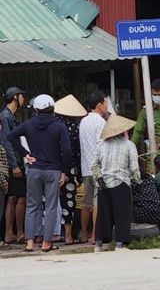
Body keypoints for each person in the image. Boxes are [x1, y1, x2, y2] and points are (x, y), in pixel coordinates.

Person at [8, 94, 71, 252]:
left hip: (34, 170)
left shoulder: (29, 124)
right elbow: (67, 150)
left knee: (31, 206)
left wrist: (25, 154)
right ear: (52, 108)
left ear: (36, 109)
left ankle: (29, 242)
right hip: (53, 170)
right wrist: (65, 171)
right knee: (50, 207)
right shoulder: (59, 126)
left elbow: (11, 136)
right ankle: (46, 243)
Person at [92, 115, 141, 252]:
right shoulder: (129, 145)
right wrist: (137, 180)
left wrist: (99, 177)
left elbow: (94, 164)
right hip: (121, 183)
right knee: (122, 214)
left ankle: (100, 244)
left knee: (104, 215)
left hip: (103, 184)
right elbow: (134, 168)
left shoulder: (100, 145)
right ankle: (120, 244)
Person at [54, 94, 87, 245]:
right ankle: (68, 235)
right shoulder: (75, 129)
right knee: (69, 201)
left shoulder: (51, 126)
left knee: (49, 202)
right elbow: (78, 152)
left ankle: (48, 235)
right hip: (70, 169)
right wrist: (79, 173)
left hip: (51, 168)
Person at [79, 91, 108, 244]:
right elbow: (101, 144)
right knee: (97, 203)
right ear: (99, 105)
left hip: (85, 167)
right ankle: (95, 235)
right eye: (106, 104)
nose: (107, 107)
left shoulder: (83, 122)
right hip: (98, 168)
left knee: (85, 202)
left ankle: (84, 234)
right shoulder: (101, 122)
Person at [2, 86, 26, 244]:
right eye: (21, 96)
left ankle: (11, 233)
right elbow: (6, 142)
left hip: (18, 160)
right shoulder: (5, 117)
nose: (23, 99)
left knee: (13, 198)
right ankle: (17, 232)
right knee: (19, 197)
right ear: (15, 97)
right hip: (14, 163)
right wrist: (14, 164)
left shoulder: (11, 116)